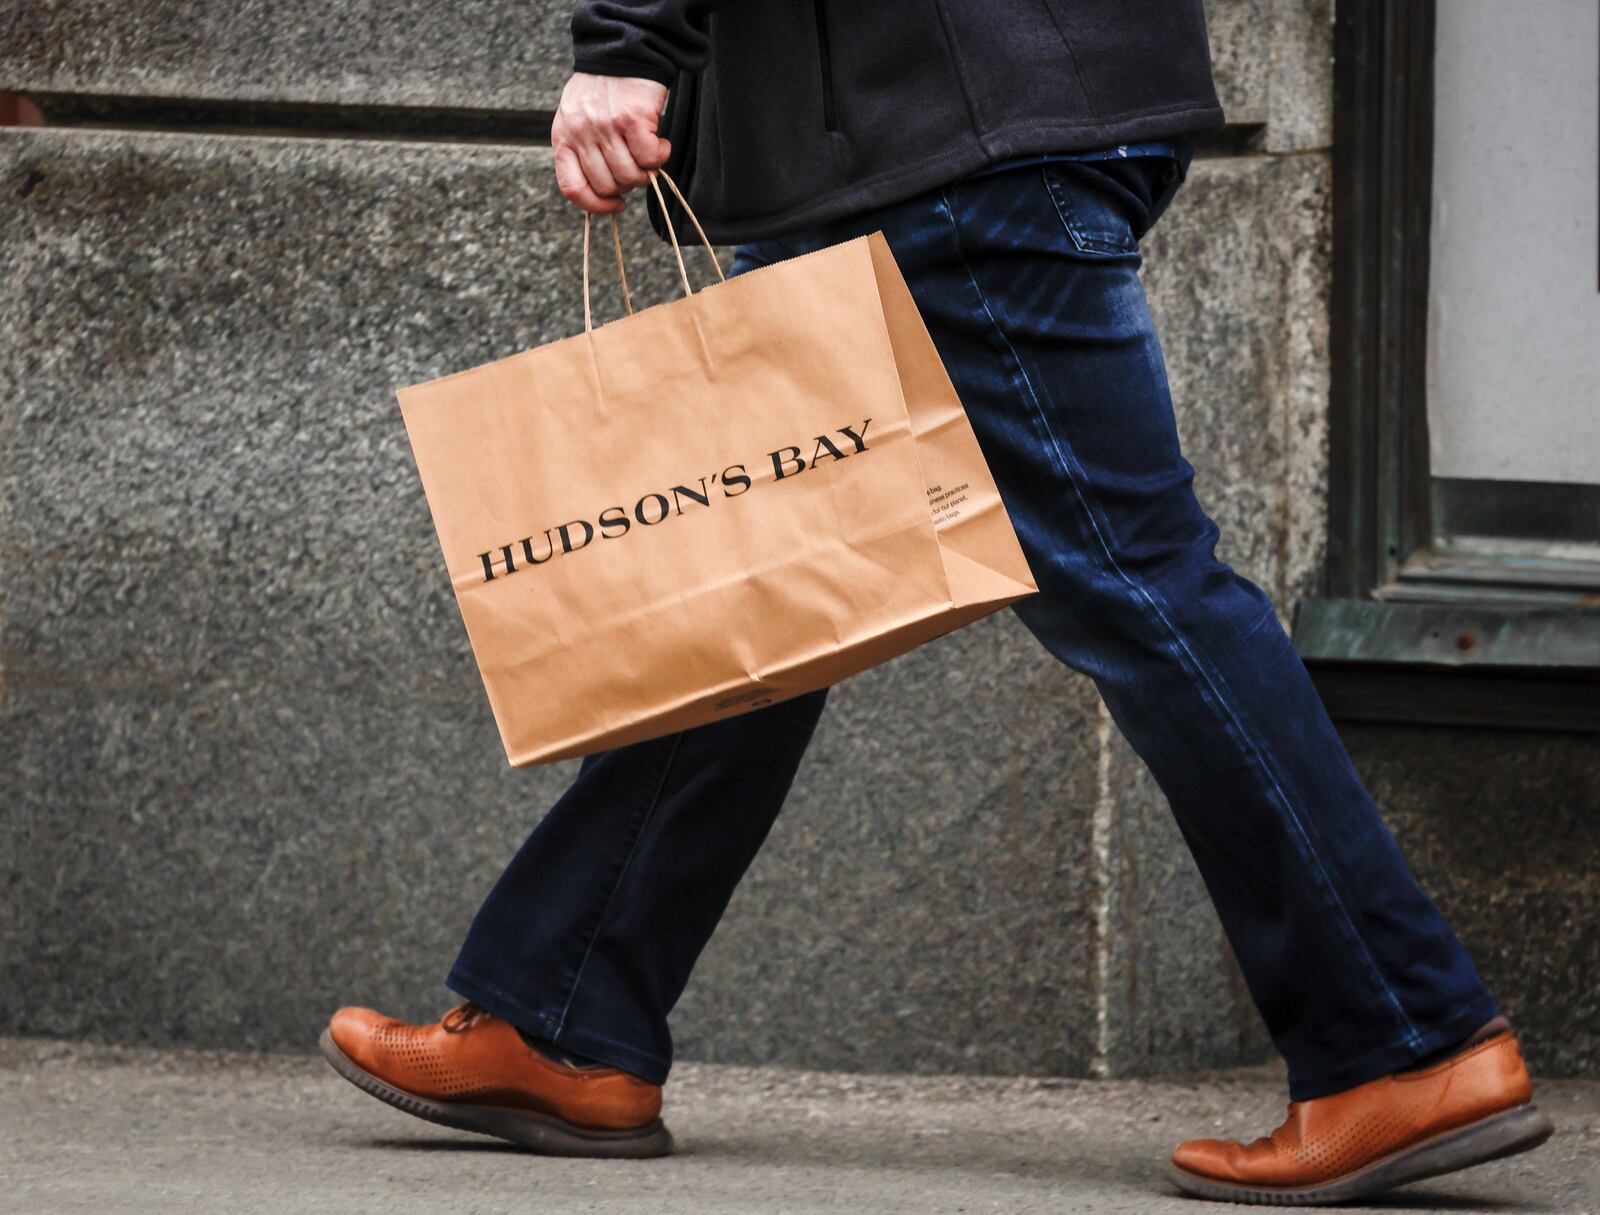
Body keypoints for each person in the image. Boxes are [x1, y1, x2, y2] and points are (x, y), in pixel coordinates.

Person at [320, 1, 1554, 1202]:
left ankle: (1405, 1042)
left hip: (935, 120)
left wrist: (627, 47)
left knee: (1137, 586)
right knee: (755, 586)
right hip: (946, 115)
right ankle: (562, 1013)